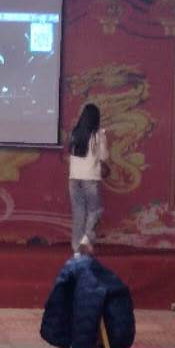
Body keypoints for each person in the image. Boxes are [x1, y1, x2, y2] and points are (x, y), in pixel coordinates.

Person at [66, 103, 109, 255]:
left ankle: (76, 246)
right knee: (95, 210)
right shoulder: (98, 135)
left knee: (78, 212)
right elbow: (104, 156)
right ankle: (86, 240)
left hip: (74, 178)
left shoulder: (74, 133)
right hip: (90, 178)